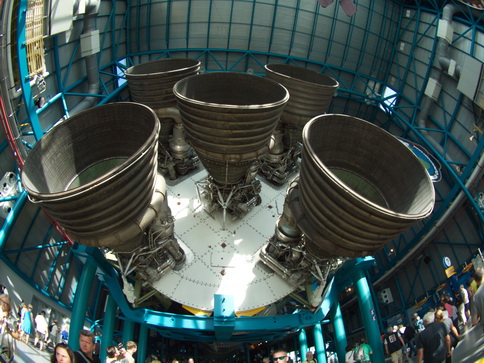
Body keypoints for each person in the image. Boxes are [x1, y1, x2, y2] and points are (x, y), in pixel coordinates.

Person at [0, 294, 18, 362]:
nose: (3, 305)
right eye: (2, 302)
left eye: (6, 303)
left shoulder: (13, 319)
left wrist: (8, 330)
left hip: (7, 350)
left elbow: (17, 336)